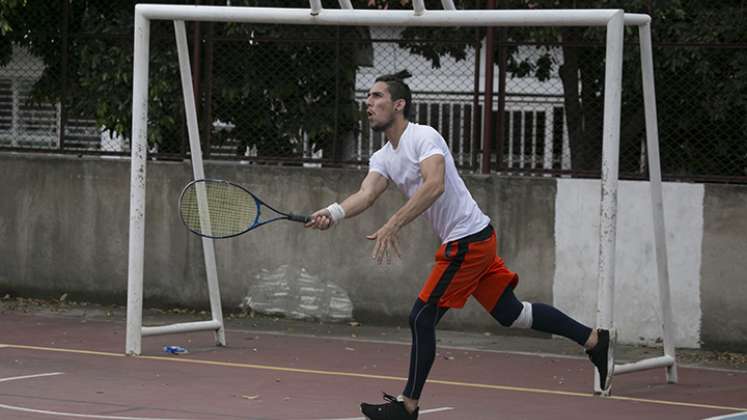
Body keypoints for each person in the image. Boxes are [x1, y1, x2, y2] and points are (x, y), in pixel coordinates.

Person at [305, 70, 614, 420]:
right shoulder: (384, 157)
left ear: (399, 104)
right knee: (512, 314)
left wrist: (394, 223)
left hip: (468, 241)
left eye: (377, 96)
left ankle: (408, 406)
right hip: (476, 238)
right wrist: (333, 213)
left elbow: (434, 184)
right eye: (368, 98)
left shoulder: (424, 137)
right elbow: (367, 193)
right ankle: (594, 340)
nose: (369, 103)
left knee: (421, 317)